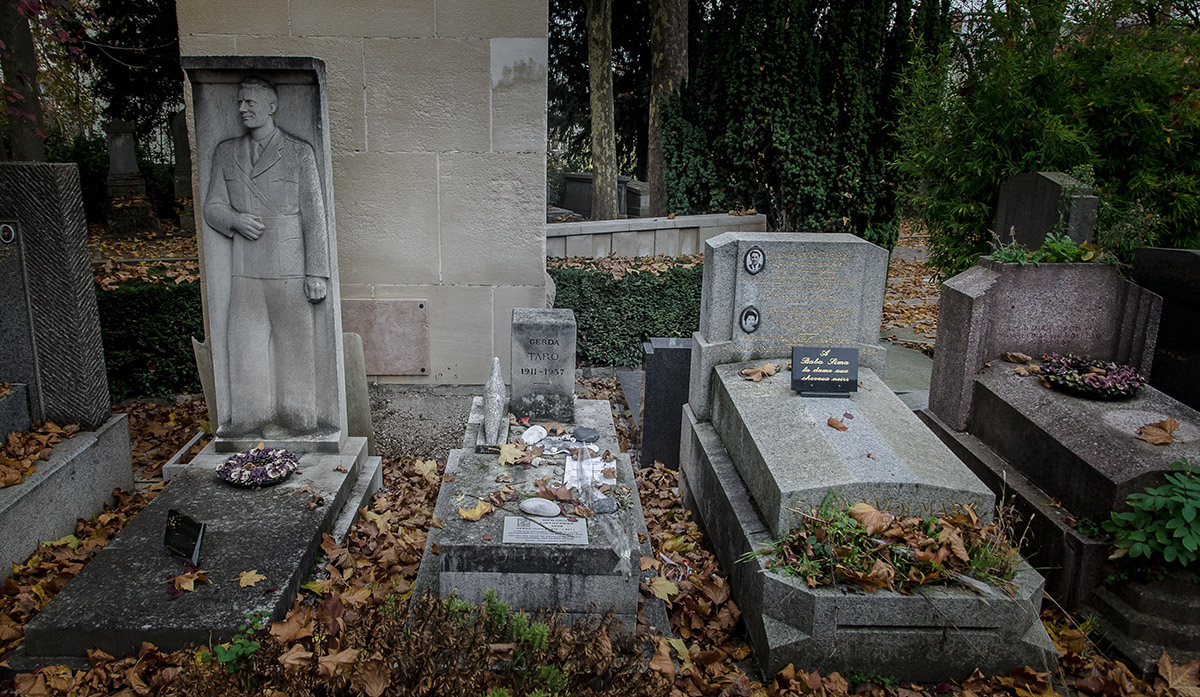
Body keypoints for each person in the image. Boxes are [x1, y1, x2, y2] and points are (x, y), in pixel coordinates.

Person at [204, 75, 330, 439]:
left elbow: (314, 214)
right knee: (245, 346)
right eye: (239, 102)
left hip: (290, 268)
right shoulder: (226, 152)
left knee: (295, 346)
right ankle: (249, 417)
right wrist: (234, 220)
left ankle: (298, 417)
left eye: (250, 102)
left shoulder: (298, 152)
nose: (242, 108)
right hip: (246, 270)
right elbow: (213, 206)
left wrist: (316, 271)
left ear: (272, 106)